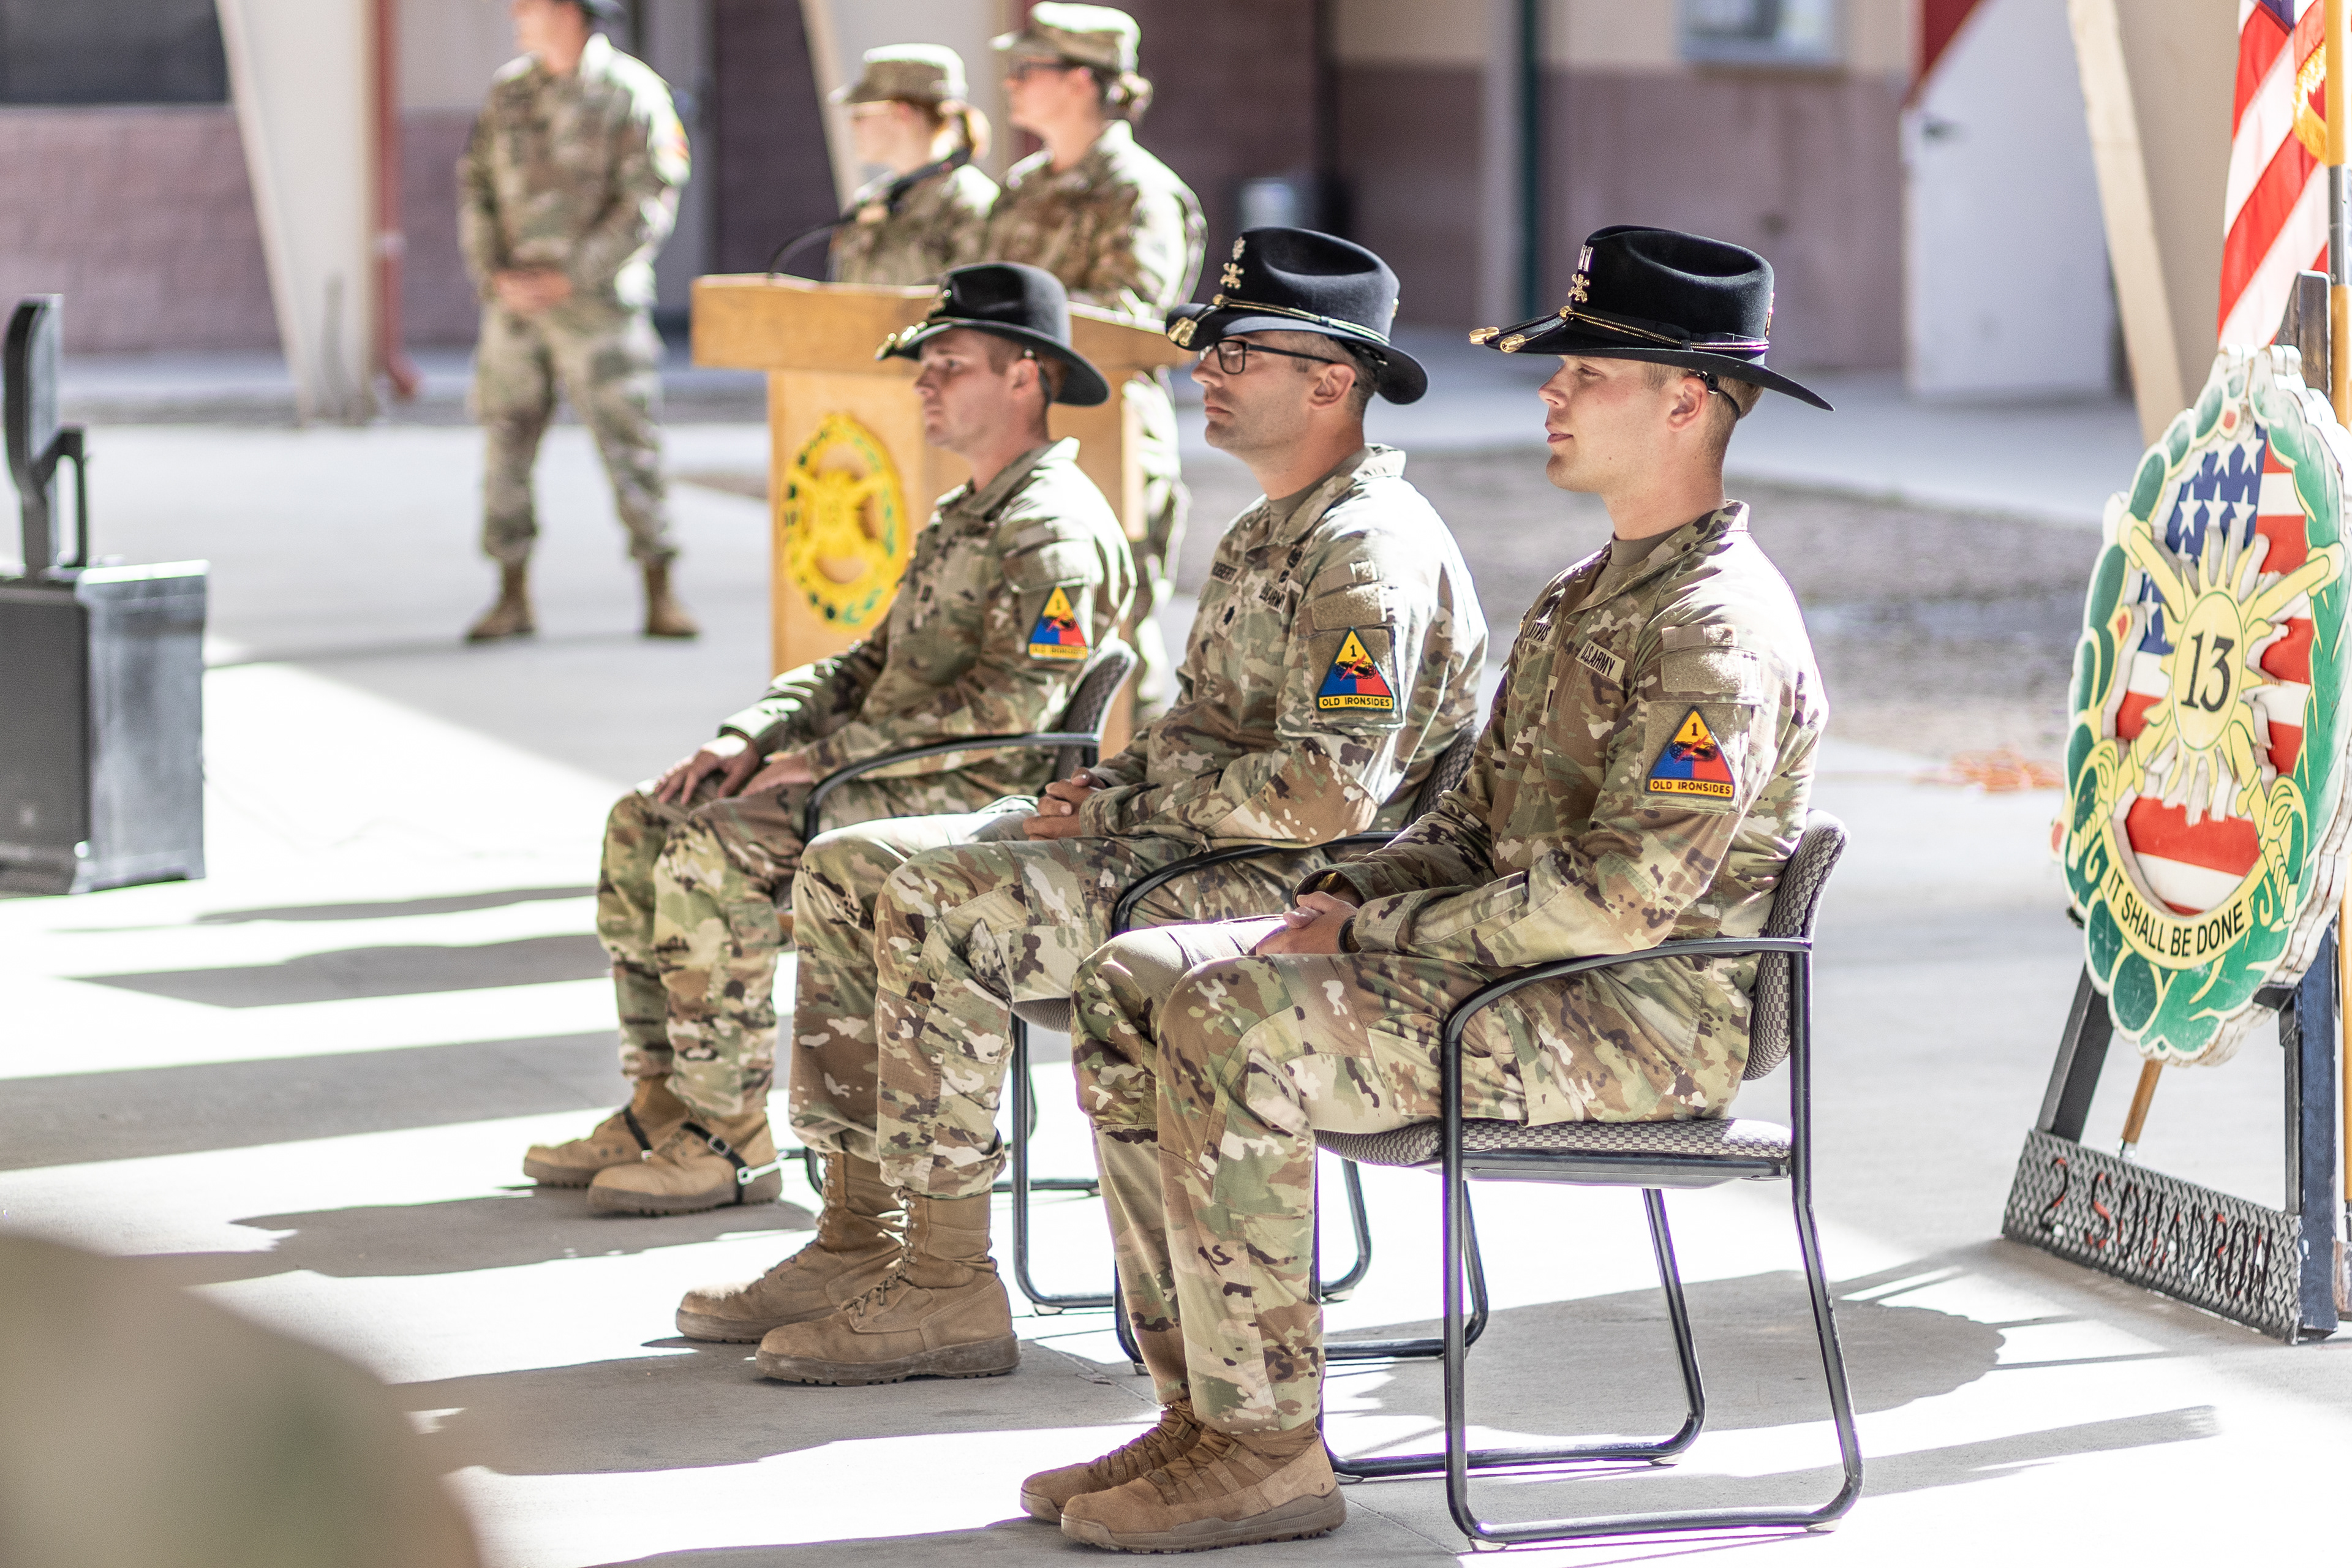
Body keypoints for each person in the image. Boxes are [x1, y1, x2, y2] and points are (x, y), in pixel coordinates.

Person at [1038, 226, 1835, 1553]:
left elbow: (1615, 905)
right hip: (1517, 976)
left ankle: (1267, 1449)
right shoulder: (1584, 597)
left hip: (1632, 1014)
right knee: (1137, 976)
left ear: (1687, 401)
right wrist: (1341, 895)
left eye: (1588, 372)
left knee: (1237, 1021)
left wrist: (1375, 927)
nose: (1552, 392)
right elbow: (1468, 822)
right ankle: (1205, 1412)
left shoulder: (1718, 630)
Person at [679, 229, 1488, 1389]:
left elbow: (1324, 796)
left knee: (941, 902)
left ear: (1330, 382)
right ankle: (860, 1237)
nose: (1205, 370)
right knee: (851, 864)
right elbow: (1200, 724)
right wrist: (1104, 786)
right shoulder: (1273, 527)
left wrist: (1119, 818)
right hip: (1190, 844)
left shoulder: (1365, 553)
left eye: (1240, 353)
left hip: (1283, 885)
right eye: (1210, 349)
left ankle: (948, 1284)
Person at [523, 263, 1136, 1217]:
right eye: (925, 365)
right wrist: (753, 733)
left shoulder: (1049, 529)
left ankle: (727, 1136)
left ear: (1026, 376)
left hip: (965, 795)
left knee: (714, 848)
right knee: (647, 817)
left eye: (950, 364)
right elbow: (863, 663)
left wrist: (827, 757)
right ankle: (662, 1105)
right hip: (891, 769)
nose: (924, 382)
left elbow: (1009, 712)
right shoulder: (969, 512)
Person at [982, 2, 1205, 722]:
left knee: (1111, 638)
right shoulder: (1022, 187)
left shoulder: (1140, 192)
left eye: (1028, 68)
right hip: (1015, 433)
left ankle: (1121, 777)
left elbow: (1129, 317)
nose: (1012, 83)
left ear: (1081, 81)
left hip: (1106, 433)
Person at [459, 0, 696, 644]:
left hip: (599, 309)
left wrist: (574, 276)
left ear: (570, 10)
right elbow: (475, 185)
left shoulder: (631, 93)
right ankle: (510, 594)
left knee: (631, 445)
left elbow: (648, 200)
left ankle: (660, 588)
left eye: (530, 5)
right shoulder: (510, 93)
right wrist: (494, 275)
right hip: (516, 309)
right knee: (505, 445)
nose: (516, 14)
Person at [826, 45, 998, 285]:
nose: (852, 125)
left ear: (901, 113)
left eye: (860, 115)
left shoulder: (971, 203)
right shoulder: (870, 200)